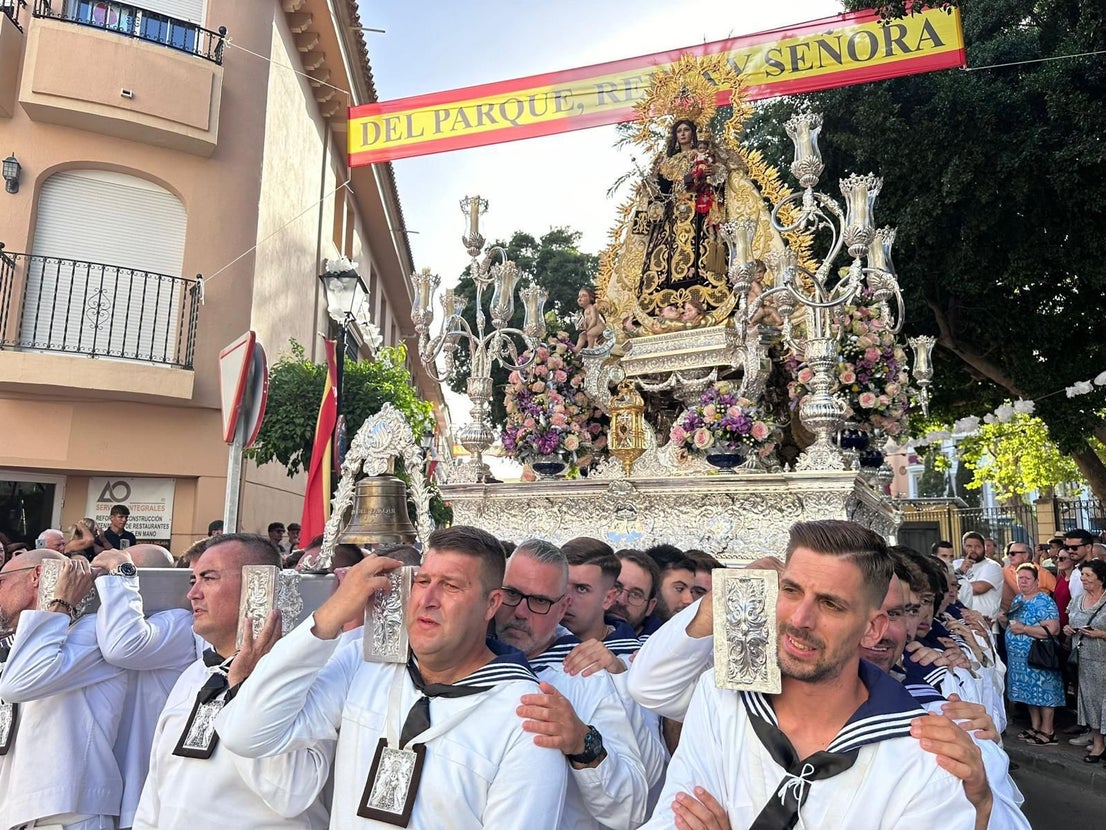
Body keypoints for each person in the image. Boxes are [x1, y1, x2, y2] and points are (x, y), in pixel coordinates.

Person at [216, 525, 568, 828]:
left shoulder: (528, 715)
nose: (428, 599)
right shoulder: (365, 663)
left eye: (451, 586)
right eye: (423, 581)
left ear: (491, 604)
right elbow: (245, 734)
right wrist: (332, 614)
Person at [636, 521, 979, 829]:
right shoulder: (721, 700)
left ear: (872, 629)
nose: (800, 619)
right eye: (791, 590)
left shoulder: (924, 757)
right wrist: (725, 597)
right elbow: (673, 816)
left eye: (831, 604)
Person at [132, 534, 331, 829]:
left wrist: (245, 687)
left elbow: (292, 793)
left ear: (258, 585)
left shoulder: (301, 675)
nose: (193, 594)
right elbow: (158, 786)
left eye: (209, 578)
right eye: (193, 580)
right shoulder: (195, 674)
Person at [493, 539, 649, 828]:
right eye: (512, 594)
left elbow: (631, 808)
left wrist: (583, 742)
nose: (520, 612)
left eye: (540, 601)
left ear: (562, 607)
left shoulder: (588, 678)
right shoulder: (461, 655)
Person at [0, 551, 128, 830]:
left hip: (66, 816)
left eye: (2, 581)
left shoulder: (91, 631)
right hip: (18, 814)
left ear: (36, 576)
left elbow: (17, 684)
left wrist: (61, 603)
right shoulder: (17, 641)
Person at [92, 544, 201, 829]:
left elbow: (122, 647)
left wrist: (122, 571)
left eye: (129, 574)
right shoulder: (116, 620)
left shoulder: (179, 622)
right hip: (106, 783)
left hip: (141, 783)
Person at [638, 119, 731, 317]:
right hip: (673, 216)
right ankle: (665, 301)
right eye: (679, 131)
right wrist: (650, 186)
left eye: (686, 130)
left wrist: (713, 172)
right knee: (666, 253)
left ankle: (706, 293)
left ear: (693, 133)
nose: (682, 134)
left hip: (699, 209)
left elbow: (721, 177)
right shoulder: (667, 162)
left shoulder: (703, 155)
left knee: (703, 248)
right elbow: (661, 191)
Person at [998, 563, 1064, 745]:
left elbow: (1053, 629)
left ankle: (1048, 731)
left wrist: (1024, 629)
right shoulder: (1018, 599)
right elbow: (1013, 624)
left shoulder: (1044, 601)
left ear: (1036, 581)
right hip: (1020, 660)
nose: (1023, 582)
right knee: (1029, 694)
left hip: (1038, 656)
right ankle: (1035, 727)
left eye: (1027, 578)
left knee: (1044, 692)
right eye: (1020, 578)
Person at [1063, 559, 1106, 763]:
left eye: (1088, 575)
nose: (1083, 579)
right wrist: (1068, 630)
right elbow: (1069, 623)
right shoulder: (1077, 599)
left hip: (1103, 660)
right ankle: (1098, 744)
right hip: (1084, 661)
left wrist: (1101, 634)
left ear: (1101, 578)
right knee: (1091, 702)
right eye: (1082, 575)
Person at [608, 549, 661, 638]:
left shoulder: (660, 645)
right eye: (616, 586)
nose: (621, 600)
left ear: (650, 606)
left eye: (635, 594)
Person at [955, 532, 1004, 621]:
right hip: (959, 620)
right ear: (963, 547)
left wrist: (955, 586)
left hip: (984, 621)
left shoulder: (993, 566)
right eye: (969, 546)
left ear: (984, 548)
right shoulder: (956, 564)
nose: (973, 550)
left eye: (977, 547)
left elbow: (979, 588)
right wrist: (960, 571)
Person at [1001, 540, 1055, 612]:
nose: (1009, 556)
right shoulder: (1004, 572)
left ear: (1025, 555)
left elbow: (1059, 593)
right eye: (1008, 553)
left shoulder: (1044, 573)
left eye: (1013, 553)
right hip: (1014, 614)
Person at [1063, 528, 1094, 602]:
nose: (1070, 551)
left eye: (1074, 548)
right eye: (1067, 548)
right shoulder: (1075, 571)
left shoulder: (1099, 570)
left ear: (1088, 547)